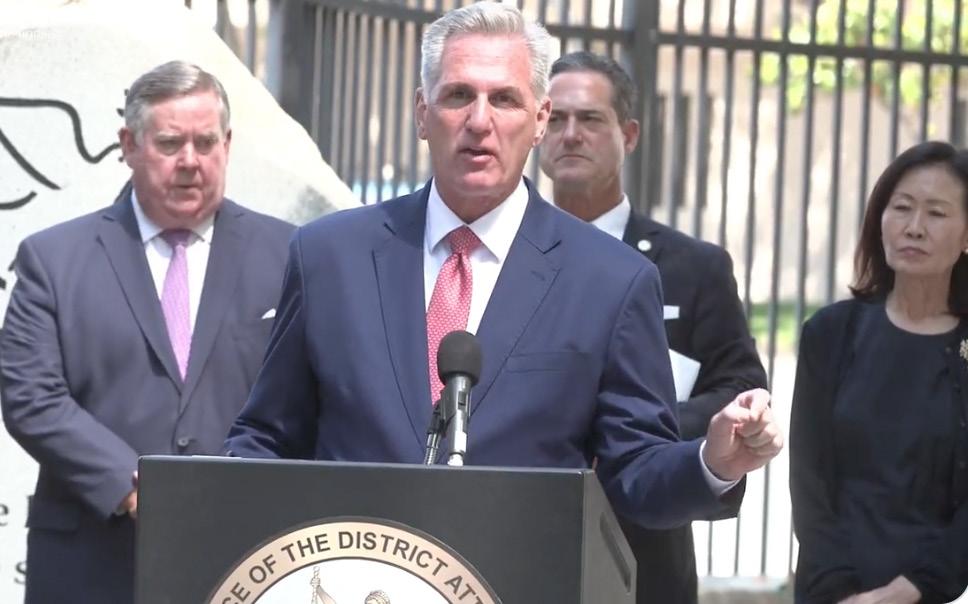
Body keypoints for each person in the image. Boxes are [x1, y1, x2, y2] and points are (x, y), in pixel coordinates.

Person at [225, 2, 782, 535]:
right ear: (422, 113)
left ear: (539, 120)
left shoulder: (611, 280)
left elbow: (636, 471)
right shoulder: (328, 256)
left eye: (505, 99)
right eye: (458, 95)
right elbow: (268, 438)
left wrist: (712, 461)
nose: (479, 121)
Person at [0, 60, 294, 604]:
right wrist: (134, 487)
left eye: (206, 142)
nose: (190, 161)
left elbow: (306, 392)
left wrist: (242, 486)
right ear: (128, 145)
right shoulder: (54, 260)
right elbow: (30, 396)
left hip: (246, 554)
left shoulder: (289, 255)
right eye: (170, 143)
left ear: (228, 144)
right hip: (92, 560)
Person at [538, 50, 768, 604]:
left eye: (591, 118)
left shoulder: (692, 268)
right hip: (524, 531)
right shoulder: (500, 255)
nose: (571, 134)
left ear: (630, 134)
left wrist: (628, 432)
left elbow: (739, 386)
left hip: (645, 547)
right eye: (557, 118)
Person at [790, 141, 968, 604]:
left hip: (932, 592)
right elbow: (808, 478)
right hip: (830, 589)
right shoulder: (830, 333)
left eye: (936, 213)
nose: (914, 227)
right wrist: (842, 590)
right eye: (902, 207)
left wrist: (914, 588)